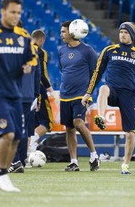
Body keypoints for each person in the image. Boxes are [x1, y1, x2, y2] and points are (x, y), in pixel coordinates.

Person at [0, 0, 37, 192]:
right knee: (8, 133)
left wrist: (28, 66)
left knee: (18, 137)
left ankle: (1, 175)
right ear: (2, 12)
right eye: (12, 12)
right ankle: (3, 175)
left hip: (16, 94)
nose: (15, 16)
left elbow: (32, 58)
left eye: (18, 13)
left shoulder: (23, 36)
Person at [82, 22, 135, 174]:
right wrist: (88, 93)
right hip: (112, 90)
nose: (123, 35)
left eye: (126, 32)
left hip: (129, 95)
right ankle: (100, 116)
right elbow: (97, 73)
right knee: (103, 88)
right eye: (121, 32)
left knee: (130, 133)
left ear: (131, 35)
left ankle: (125, 165)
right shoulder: (109, 51)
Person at [58, 20, 99, 171]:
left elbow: (96, 73)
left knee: (78, 122)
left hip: (81, 95)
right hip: (64, 95)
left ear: (72, 32)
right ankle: (74, 162)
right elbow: (63, 70)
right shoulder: (61, 51)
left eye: (63, 31)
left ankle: (94, 155)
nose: (61, 34)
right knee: (69, 129)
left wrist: (89, 94)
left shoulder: (88, 51)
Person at [8, 22, 41, 173]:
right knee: (22, 129)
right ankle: (20, 161)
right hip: (28, 96)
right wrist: (36, 95)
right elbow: (37, 75)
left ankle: (15, 161)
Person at [28, 29, 57, 152]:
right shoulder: (40, 52)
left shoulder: (24, 49)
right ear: (41, 40)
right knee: (47, 122)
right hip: (38, 89)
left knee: (32, 123)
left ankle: (28, 149)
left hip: (24, 90)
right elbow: (41, 74)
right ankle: (31, 144)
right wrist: (52, 91)